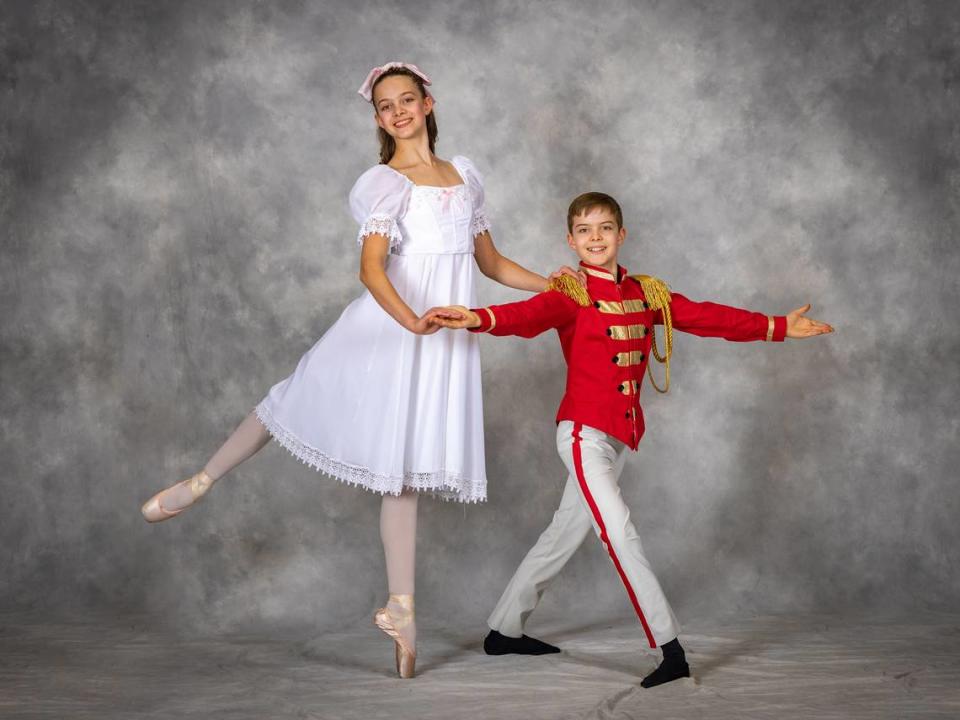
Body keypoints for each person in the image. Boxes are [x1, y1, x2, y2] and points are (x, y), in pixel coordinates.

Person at [140, 62, 579, 679]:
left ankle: (402, 607)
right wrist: (409, 321)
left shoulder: (466, 177)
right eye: (384, 106)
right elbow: (371, 269)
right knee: (288, 400)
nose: (397, 111)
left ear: (428, 103)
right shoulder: (384, 183)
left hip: (440, 337)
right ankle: (202, 481)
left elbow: (492, 263)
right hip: (388, 327)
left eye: (407, 100)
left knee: (398, 471)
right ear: (377, 119)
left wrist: (556, 284)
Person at [429, 191, 833, 687]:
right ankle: (671, 649)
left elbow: (706, 317)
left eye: (603, 228)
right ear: (570, 239)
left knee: (564, 533)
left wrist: (775, 326)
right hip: (581, 435)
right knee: (619, 532)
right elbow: (524, 316)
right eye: (583, 230)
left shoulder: (648, 292)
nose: (594, 238)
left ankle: (504, 630)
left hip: (618, 438)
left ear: (621, 235)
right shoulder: (569, 294)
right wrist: (478, 318)